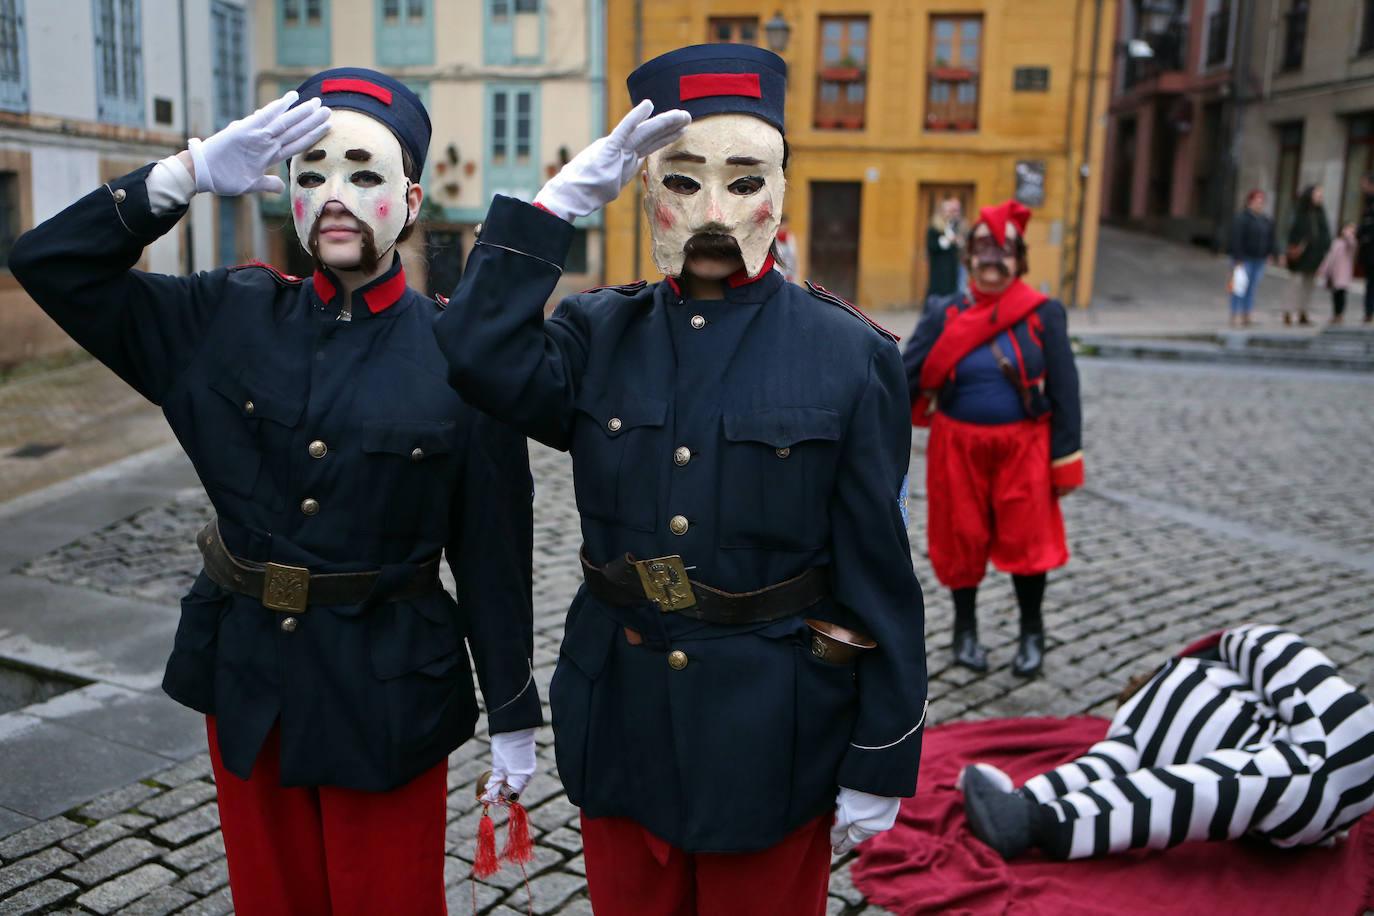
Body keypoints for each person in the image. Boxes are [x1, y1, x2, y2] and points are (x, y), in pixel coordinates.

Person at [8, 69, 542, 916]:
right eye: (312, 174)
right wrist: (176, 177)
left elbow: (494, 553)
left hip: (388, 682)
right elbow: (49, 264)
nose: (335, 196)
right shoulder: (226, 314)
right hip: (249, 668)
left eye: (363, 175)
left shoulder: (459, 351)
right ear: (287, 195)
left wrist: (513, 712)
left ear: (409, 200)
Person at [434, 43, 928, 916]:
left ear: (782, 187)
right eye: (681, 179)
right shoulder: (596, 333)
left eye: (743, 182)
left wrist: (883, 750)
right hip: (623, 709)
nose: (710, 210)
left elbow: (880, 571)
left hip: (772, 729)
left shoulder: (850, 355)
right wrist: (557, 206)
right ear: (644, 185)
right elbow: (473, 355)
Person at [959, 623, 1374, 861]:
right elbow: (1106, 767)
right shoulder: (1130, 725)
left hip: (1317, 751)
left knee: (1208, 787)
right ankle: (1032, 818)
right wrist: (1022, 795)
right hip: (1299, 781)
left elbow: (1265, 648)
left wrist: (1221, 645)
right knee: (1208, 788)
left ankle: (1039, 820)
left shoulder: (1172, 687)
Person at [902, 201, 1082, 678]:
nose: (992, 259)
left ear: (1020, 260)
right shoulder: (945, 313)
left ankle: (1031, 632)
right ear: (968, 257)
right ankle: (964, 631)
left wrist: (1066, 460)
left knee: (1028, 540)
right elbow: (902, 378)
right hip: (955, 447)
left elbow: (1066, 392)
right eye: (982, 248)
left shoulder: (1044, 314)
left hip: (1025, 446)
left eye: (1003, 250)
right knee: (960, 538)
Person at [1227, 189, 1278, 328]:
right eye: (1257, 201)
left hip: (1259, 258)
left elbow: (1271, 238)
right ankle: (1235, 313)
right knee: (1239, 286)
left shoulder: (1266, 220)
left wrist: (1272, 253)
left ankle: (1246, 313)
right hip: (1244, 258)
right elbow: (1236, 238)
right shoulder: (1242, 218)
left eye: (1262, 202)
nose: (1259, 205)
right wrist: (1238, 257)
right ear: (1249, 202)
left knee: (1251, 287)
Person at [1282, 184, 1332, 326]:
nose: (1320, 197)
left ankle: (1303, 312)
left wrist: (1325, 247)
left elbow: (1324, 232)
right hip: (1300, 255)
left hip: (1315, 255)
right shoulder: (1300, 211)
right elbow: (1291, 231)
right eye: (1318, 194)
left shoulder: (1320, 212)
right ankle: (1288, 311)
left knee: (1309, 285)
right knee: (1296, 283)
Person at [1315, 221, 1359, 325]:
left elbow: (1351, 242)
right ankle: (1335, 314)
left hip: (1343, 272)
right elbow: (1329, 257)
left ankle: (1339, 314)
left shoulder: (1351, 243)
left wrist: (1348, 234)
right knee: (1335, 295)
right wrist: (1322, 270)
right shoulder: (1336, 242)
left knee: (1341, 294)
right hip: (1334, 273)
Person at [925, 196, 964, 301]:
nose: (948, 214)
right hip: (939, 270)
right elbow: (932, 246)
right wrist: (947, 241)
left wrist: (956, 242)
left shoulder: (952, 226)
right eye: (945, 211)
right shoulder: (934, 228)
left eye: (950, 211)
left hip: (951, 268)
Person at [1356, 173, 1374, 325]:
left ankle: (1369, 312)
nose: (1363, 187)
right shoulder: (1368, 203)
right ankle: (1368, 312)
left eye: (1365, 184)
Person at [774, 215, 799, 282]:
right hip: (778, 276)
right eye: (783, 224)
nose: (785, 227)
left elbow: (794, 258)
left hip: (790, 276)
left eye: (786, 224)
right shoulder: (773, 239)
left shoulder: (790, 237)